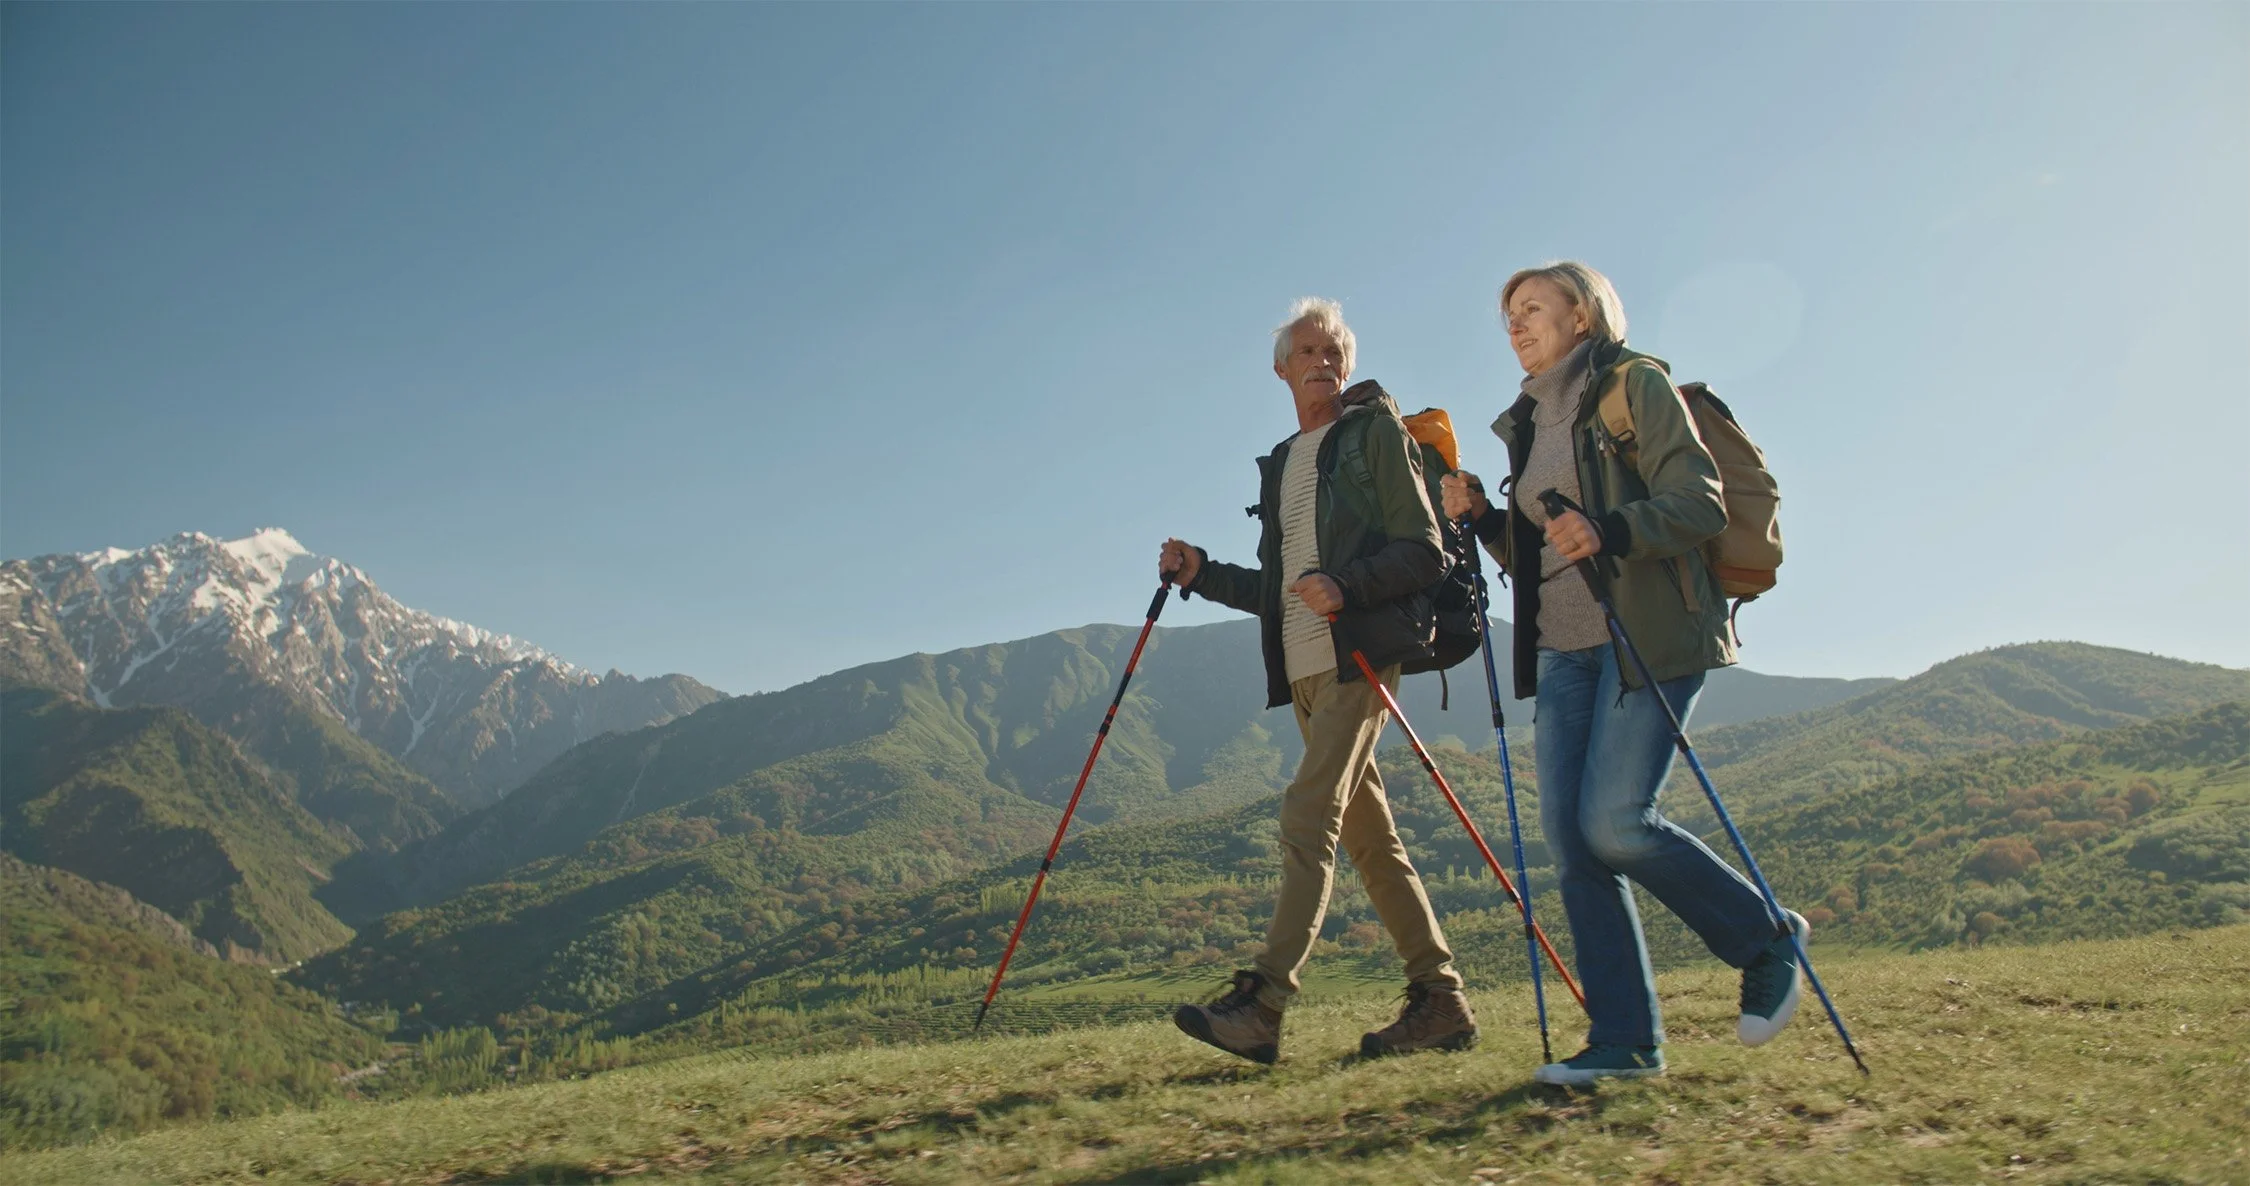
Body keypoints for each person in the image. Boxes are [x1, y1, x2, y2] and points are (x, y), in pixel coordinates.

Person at [1440, 262, 1807, 1087]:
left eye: (1532, 308)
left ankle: (1767, 937)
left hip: (1649, 633)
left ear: (1582, 315)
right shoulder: (1527, 421)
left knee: (1615, 823)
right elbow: (1541, 557)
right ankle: (1624, 1043)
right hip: (1563, 652)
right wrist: (1488, 519)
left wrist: (1610, 529)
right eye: (1508, 315)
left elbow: (1700, 502)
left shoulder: (1634, 385)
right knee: (1575, 848)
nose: (1515, 325)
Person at [1160, 297, 1476, 1065]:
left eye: (1334, 350)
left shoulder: (1374, 434)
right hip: (1302, 670)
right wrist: (1201, 574)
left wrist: (1347, 585)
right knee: (1371, 841)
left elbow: (1425, 550)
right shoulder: (1283, 462)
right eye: (1307, 351)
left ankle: (1263, 1004)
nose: (1322, 361)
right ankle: (1440, 1000)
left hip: (1359, 655)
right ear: (1281, 369)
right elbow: (1279, 588)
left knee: (1307, 813)